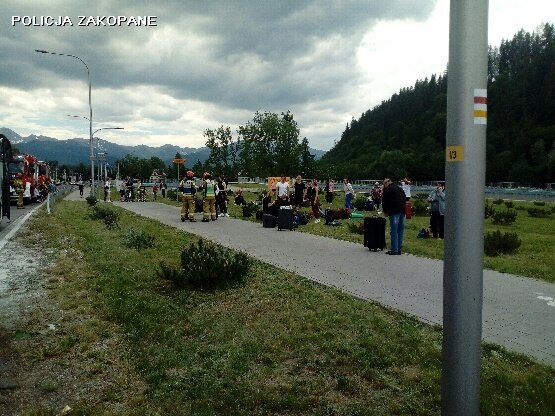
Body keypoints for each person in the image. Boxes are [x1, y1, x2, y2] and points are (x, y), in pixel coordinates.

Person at [382, 178, 406, 255]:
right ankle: (399, 249)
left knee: (394, 231)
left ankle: (394, 249)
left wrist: (385, 211)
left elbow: (384, 201)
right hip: (402, 211)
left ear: (386, 183)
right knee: (400, 230)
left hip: (394, 212)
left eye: (384, 184)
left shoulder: (387, 189)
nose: (384, 186)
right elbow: (405, 199)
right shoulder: (400, 189)